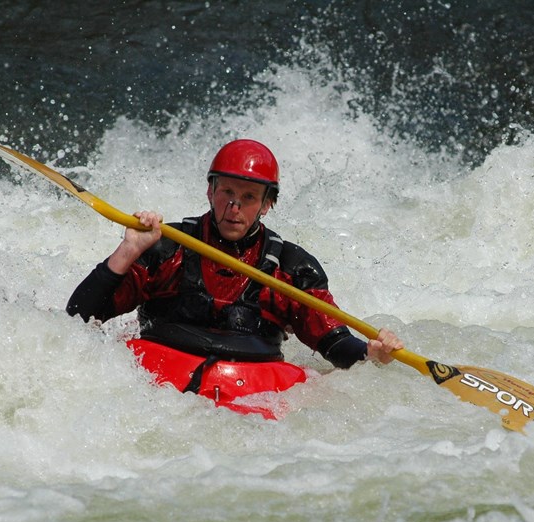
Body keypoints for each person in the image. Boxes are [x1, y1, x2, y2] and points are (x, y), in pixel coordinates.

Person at [67, 139, 403, 369]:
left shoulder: (292, 269)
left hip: (250, 385)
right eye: (226, 191)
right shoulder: (166, 247)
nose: (234, 207)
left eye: (249, 197)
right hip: (162, 373)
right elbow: (78, 317)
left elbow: (333, 341)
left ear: (267, 205)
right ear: (210, 191)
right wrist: (127, 251)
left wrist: (370, 354)